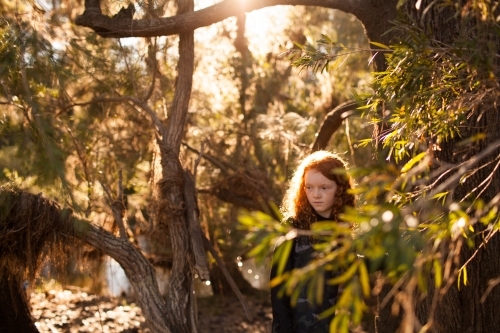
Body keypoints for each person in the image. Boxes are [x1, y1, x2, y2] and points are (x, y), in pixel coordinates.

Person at [271, 150, 356, 333]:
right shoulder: (293, 227)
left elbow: (353, 263)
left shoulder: (342, 228)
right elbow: (278, 287)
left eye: (324, 188)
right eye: (309, 187)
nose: (315, 194)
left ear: (340, 188)